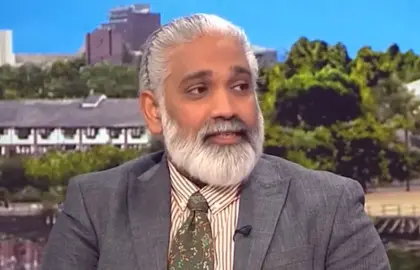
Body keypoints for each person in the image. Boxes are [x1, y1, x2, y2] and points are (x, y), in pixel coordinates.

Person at [41, 14, 390, 270]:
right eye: (198, 90)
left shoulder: (330, 207)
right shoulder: (94, 205)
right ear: (154, 111)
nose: (226, 109)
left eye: (241, 87)